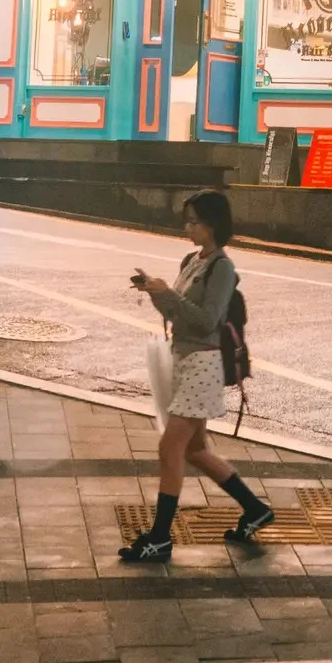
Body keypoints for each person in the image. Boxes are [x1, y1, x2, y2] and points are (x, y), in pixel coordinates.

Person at [119, 190, 274, 565]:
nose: (187, 227)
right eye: (186, 220)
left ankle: (160, 538)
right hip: (183, 358)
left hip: (204, 364)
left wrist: (167, 293)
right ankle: (254, 509)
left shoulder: (222, 267)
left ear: (213, 224)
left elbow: (207, 320)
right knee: (196, 450)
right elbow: (179, 314)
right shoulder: (191, 259)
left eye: (194, 221)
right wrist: (156, 291)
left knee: (170, 447)